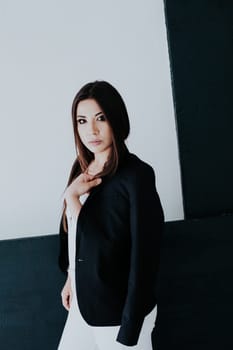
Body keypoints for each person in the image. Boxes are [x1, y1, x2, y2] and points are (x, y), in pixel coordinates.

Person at [57, 80, 164, 350]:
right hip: (82, 306)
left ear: (116, 118)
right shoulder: (80, 168)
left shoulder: (137, 176)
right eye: (81, 121)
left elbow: (145, 256)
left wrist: (130, 329)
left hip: (119, 314)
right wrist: (71, 277)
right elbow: (75, 235)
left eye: (100, 118)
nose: (90, 130)